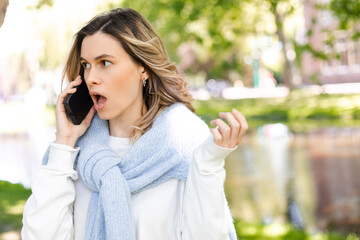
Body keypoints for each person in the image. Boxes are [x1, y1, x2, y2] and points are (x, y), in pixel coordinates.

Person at [21, 8, 248, 240]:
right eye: (86, 65)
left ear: (143, 68)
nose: (90, 78)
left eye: (105, 63)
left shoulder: (185, 145)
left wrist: (208, 165)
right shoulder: (71, 152)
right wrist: (65, 142)